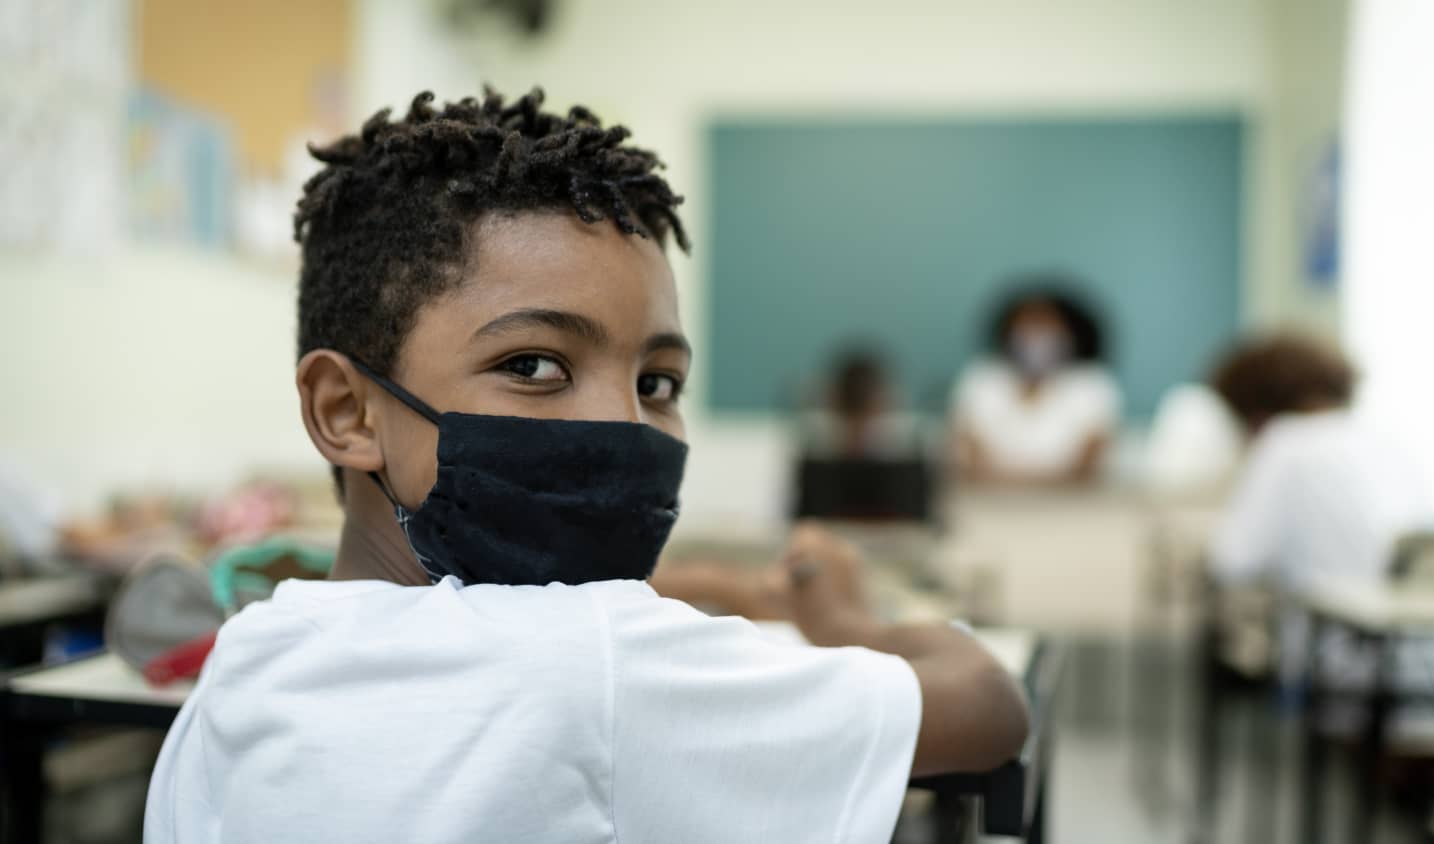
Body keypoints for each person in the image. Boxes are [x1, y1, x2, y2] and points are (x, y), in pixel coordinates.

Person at [145, 88, 1028, 843]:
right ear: (347, 411)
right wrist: (845, 618)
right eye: (534, 366)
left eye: (657, 381)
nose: (619, 425)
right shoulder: (595, 663)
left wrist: (724, 588)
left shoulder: (250, 656)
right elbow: (987, 705)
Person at [1206, 334, 1434, 702]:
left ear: (1256, 409)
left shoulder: (1284, 443)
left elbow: (1231, 560)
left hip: (1346, 676)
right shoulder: (1392, 440)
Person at [949, 281, 1122, 485]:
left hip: (1071, 505)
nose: (1036, 334)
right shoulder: (982, 379)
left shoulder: (1091, 383)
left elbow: (1091, 459)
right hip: (988, 501)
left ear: (1069, 333)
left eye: (1046, 324)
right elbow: (968, 451)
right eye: (1028, 323)